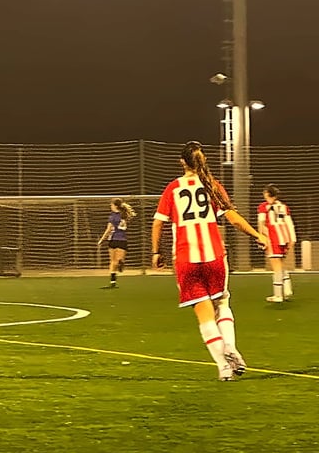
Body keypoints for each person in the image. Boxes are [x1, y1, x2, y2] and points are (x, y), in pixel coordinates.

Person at [151, 141, 268, 381]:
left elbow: (158, 223)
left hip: (186, 260)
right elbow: (233, 218)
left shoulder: (173, 188)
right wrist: (257, 235)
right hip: (214, 256)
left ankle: (223, 367)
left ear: (182, 162)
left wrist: (156, 252)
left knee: (204, 314)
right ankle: (230, 346)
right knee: (222, 303)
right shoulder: (212, 185)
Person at [257, 183, 297, 303]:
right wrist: (292, 239)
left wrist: (261, 237)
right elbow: (289, 223)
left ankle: (278, 295)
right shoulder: (283, 206)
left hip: (273, 236)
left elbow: (261, 223)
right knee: (280, 263)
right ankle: (287, 288)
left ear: (267, 194)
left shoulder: (263, 207)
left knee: (276, 266)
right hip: (284, 237)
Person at [97, 198, 136, 289]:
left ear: (115, 206)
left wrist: (102, 240)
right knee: (118, 260)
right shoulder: (124, 215)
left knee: (112, 261)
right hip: (122, 240)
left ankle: (113, 281)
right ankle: (120, 262)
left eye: (111, 205)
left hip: (113, 239)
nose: (110, 206)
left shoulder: (113, 216)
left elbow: (109, 229)